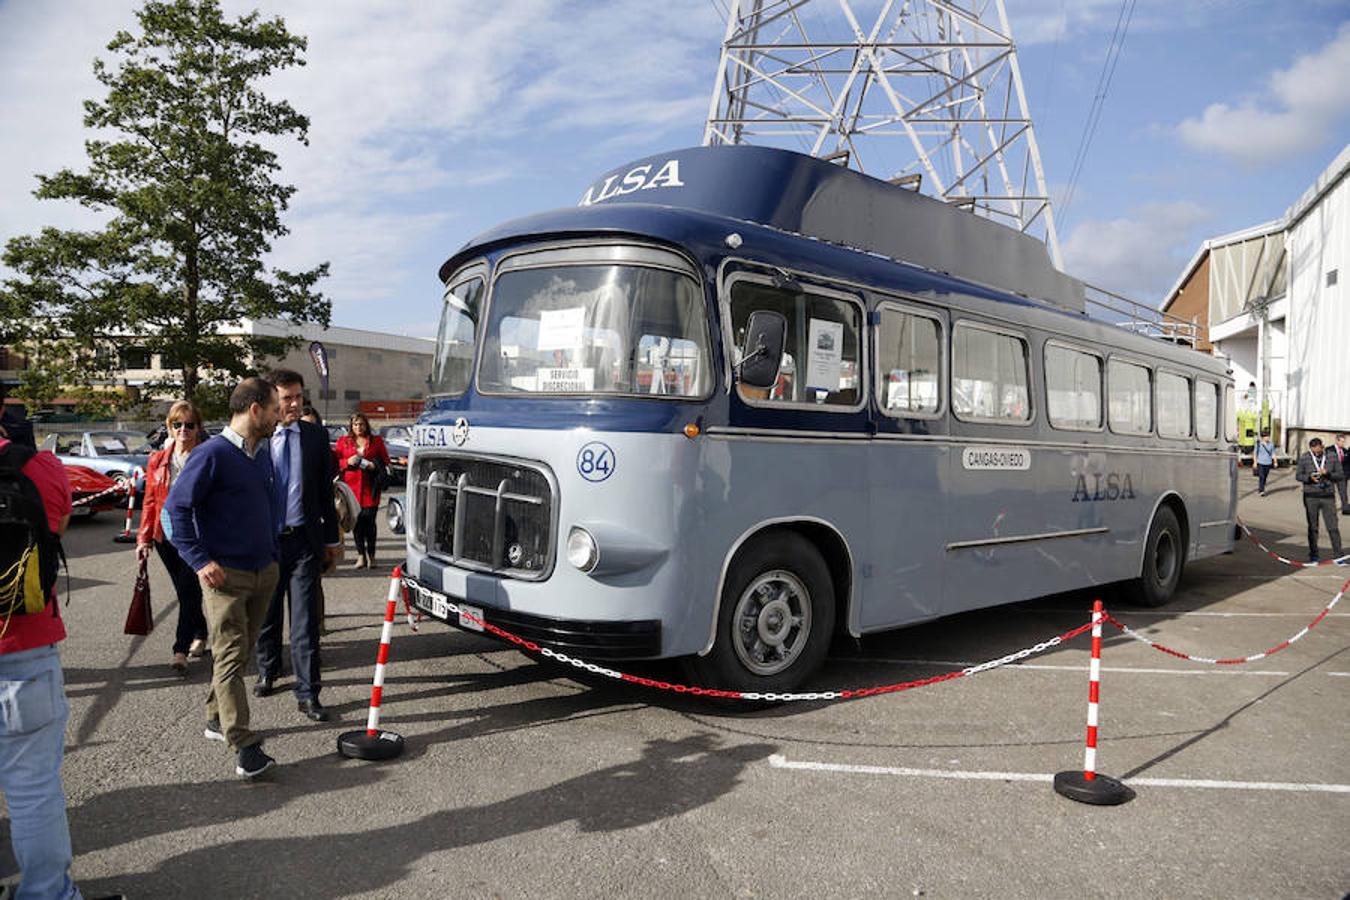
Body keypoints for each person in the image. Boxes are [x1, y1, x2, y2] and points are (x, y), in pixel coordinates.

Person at [165, 377, 282, 779]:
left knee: (241, 651)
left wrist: (273, 553)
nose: (278, 416)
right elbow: (176, 510)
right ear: (255, 409)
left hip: (263, 570)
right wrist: (199, 560)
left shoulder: (260, 453)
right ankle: (243, 746)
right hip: (225, 576)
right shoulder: (212, 454)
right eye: (274, 409)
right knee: (231, 655)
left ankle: (215, 719)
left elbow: (269, 505)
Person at [0, 426, 83, 899]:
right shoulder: (41, 468)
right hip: (25, 645)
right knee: (33, 790)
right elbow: (55, 535)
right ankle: (48, 893)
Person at [253, 370, 341, 722]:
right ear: (272, 400)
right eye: (286, 398)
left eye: (298, 397)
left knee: (304, 622)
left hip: (304, 541)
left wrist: (332, 541)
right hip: (267, 543)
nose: (293, 404)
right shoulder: (256, 439)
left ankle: (308, 693)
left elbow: (324, 494)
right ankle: (268, 669)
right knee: (267, 614)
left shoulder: (316, 437)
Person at [137, 400, 210, 673]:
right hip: (164, 535)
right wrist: (143, 538)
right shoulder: (158, 459)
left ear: (198, 428)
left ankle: (180, 649)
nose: (183, 430)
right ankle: (200, 633)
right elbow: (150, 501)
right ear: (169, 426)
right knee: (185, 591)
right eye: (177, 424)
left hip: (196, 536)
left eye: (189, 425)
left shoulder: (206, 457)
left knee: (189, 591)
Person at [335, 413, 390, 569]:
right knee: (357, 523)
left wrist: (374, 465)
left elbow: (385, 461)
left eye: (361, 424)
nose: (358, 427)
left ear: (366, 425)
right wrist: (347, 462)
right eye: (355, 424)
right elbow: (336, 462)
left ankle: (372, 556)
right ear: (351, 426)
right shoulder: (343, 442)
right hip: (351, 489)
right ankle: (361, 556)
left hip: (370, 488)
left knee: (370, 522)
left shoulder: (376, 441)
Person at [1293, 437, 1344, 564]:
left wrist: (1328, 474)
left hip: (1328, 496)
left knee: (1332, 526)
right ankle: (1314, 555)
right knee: (1313, 527)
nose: (1316, 453)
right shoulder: (1305, 457)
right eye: (1313, 451)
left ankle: (1339, 555)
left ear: (1322, 447)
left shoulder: (1332, 456)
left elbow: (1340, 475)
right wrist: (1309, 478)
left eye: (1318, 450)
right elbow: (1298, 475)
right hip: (1311, 496)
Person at [1254, 430, 1277, 496]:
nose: (1267, 438)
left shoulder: (1271, 444)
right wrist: (1255, 462)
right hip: (1260, 462)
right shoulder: (1258, 444)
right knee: (1261, 476)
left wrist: (1275, 462)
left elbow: (1273, 453)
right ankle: (1261, 490)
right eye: (1266, 436)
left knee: (1265, 477)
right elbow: (1255, 454)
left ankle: (1262, 488)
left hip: (1268, 463)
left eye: (1268, 436)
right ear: (1263, 437)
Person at [1334, 433, 1350, 515]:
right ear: (1337, 441)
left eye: (1344, 442)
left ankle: (1345, 509)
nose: (1343, 443)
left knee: (1343, 493)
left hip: (1342, 476)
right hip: (1331, 475)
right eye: (1341, 441)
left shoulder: (1345, 451)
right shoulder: (1329, 450)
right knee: (1329, 492)